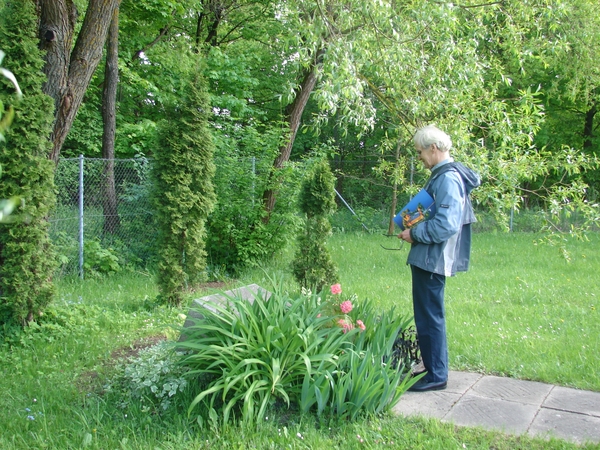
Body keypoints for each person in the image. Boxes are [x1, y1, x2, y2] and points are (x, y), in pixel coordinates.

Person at [399, 125, 480, 392]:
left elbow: (447, 225)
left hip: (433, 258)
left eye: (420, 152)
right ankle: (432, 367)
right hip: (428, 256)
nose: (419, 157)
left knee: (430, 316)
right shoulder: (442, 175)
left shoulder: (448, 179)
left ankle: (436, 376)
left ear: (433, 149)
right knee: (427, 314)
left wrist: (415, 233)